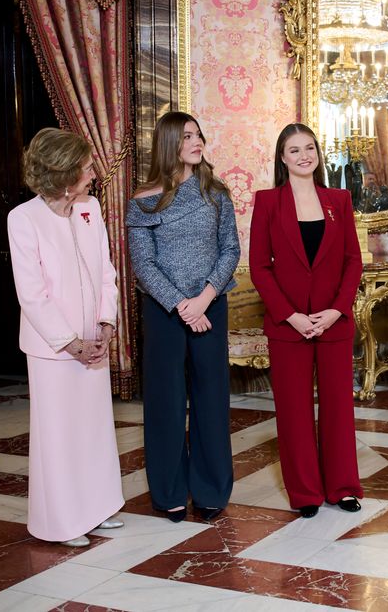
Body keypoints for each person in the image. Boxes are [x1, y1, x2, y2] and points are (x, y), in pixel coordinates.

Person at [7, 128, 124, 547]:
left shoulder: (90, 208)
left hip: (93, 343)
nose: (93, 174)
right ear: (62, 172)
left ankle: (96, 508)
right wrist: (70, 342)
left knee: (94, 431)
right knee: (58, 436)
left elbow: (106, 273)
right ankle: (61, 523)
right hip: (53, 351)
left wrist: (105, 326)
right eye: (86, 167)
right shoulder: (23, 219)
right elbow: (31, 293)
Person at [127, 112, 240, 523]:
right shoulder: (143, 199)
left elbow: (230, 250)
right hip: (164, 313)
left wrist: (205, 298)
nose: (197, 142)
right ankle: (169, 490)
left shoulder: (216, 193)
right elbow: (144, 264)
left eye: (198, 135)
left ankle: (211, 490)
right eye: (187, 136)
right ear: (169, 143)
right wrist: (181, 306)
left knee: (211, 400)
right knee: (166, 403)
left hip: (210, 307)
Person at [249, 123, 364, 518]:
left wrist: (336, 310)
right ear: (282, 157)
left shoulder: (339, 199)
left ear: (318, 153)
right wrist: (291, 316)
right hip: (289, 325)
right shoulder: (268, 202)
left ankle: (343, 487)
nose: (303, 156)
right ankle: (305, 493)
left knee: (337, 408)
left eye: (309, 148)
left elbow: (353, 259)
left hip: (334, 321)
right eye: (294, 150)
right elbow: (260, 268)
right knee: (294, 411)